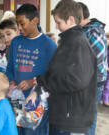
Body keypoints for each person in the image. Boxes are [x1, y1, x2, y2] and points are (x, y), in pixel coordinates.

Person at [26, 0, 97, 135]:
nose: (57, 27)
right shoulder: (69, 41)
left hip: (70, 120)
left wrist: (43, 82)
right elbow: (57, 72)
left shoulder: (78, 44)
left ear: (70, 20)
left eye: (58, 22)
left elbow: (76, 80)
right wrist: (39, 85)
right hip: (63, 115)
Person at [6, 3, 57, 135]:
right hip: (16, 98)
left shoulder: (49, 45)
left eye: (22, 23)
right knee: (17, 131)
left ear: (35, 21)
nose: (19, 28)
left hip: (37, 101)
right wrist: (11, 81)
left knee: (33, 132)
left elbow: (54, 75)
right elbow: (10, 68)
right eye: (17, 24)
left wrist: (32, 82)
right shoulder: (16, 42)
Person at [78, 2, 108, 135]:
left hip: (93, 81)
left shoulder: (93, 31)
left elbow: (95, 59)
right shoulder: (85, 30)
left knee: (88, 118)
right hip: (85, 80)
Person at [102, 33, 109, 107]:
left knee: (107, 86)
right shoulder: (105, 48)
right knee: (106, 86)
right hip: (105, 69)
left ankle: (105, 99)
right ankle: (104, 100)